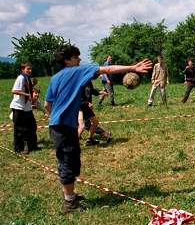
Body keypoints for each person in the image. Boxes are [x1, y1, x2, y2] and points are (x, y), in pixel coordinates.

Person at [44, 45, 151, 214]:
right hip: (63, 127)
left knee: (72, 160)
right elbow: (107, 69)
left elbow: (47, 104)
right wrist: (132, 67)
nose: (79, 60)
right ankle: (69, 203)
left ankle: (70, 194)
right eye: (76, 57)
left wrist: (56, 117)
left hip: (59, 125)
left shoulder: (55, 77)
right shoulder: (77, 71)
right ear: (67, 60)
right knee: (67, 163)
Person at [10, 62, 39, 154]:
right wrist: (27, 94)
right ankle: (19, 149)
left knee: (32, 126)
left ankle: (32, 146)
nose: (30, 71)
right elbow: (14, 91)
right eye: (28, 69)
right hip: (18, 107)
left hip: (26, 107)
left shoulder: (27, 78)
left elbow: (27, 88)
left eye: (31, 69)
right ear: (23, 69)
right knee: (19, 129)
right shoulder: (21, 78)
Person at [78, 79, 111, 146]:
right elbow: (77, 97)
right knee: (83, 126)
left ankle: (90, 140)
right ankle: (74, 142)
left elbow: (91, 90)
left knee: (91, 123)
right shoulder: (79, 82)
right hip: (81, 106)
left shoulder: (88, 81)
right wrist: (87, 103)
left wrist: (100, 92)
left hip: (85, 106)